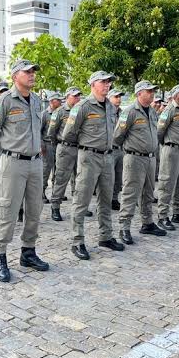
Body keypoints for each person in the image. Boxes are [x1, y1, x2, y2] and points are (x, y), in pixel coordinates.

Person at [0, 59, 49, 282]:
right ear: (15, 76)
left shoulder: (38, 101)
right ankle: (0, 255)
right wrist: (10, 148)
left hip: (35, 163)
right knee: (7, 209)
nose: (32, 75)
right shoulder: (3, 101)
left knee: (34, 209)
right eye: (27, 72)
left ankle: (28, 251)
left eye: (33, 71)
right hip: (13, 163)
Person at [62, 71, 125, 260]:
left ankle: (105, 236)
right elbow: (68, 134)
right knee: (82, 200)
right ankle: (77, 241)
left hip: (107, 157)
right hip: (88, 157)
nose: (107, 85)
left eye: (108, 82)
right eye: (103, 82)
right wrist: (85, 145)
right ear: (92, 85)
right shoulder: (82, 106)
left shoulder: (111, 107)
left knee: (106, 199)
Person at [114, 81, 166, 243]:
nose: (152, 94)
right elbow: (117, 136)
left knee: (149, 192)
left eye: (153, 91)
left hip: (150, 158)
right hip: (134, 158)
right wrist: (130, 150)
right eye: (148, 91)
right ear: (139, 93)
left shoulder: (151, 111)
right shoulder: (130, 111)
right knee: (130, 193)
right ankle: (124, 227)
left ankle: (147, 223)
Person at [156, 84, 179, 231]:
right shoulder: (169, 110)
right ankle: (162, 216)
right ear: (176, 95)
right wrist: (167, 145)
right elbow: (159, 131)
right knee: (167, 183)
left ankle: (177, 212)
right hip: (171, 150)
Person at [48, 87, 82, 221]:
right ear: (67, 97)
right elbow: (51, 132)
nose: (77, 98)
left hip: (80, 149)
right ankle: (55, 207)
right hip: (65, 148)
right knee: (61, 178)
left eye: (79, 96)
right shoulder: (59, 112)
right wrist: (60, 145)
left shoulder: (81, 110)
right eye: (75, 96)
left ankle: (79, 207)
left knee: (79, 180)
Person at [41, 92, 62, 203]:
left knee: (58, 170)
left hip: (58, 145)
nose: (60, 102)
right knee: (46, 170)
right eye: (58, 100)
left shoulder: (61, 113)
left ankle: (56, 193)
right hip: (47, 145)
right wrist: (42, 145)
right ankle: (42, 193)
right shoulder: (44, 114)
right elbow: (38, 131)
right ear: (51, 101)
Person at [108, 88, 125, 210]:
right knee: (108, 177)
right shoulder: (106, 111)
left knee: (118, 178)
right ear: (109, 98)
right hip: (109, 150)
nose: (119, 99)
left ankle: (114, 199)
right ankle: (104, 201)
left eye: (120, 97)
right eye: (116, 97)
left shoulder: (123, 112)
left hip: (120, 149)